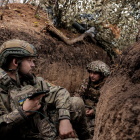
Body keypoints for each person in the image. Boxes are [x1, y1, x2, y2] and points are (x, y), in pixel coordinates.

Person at [0, 39, 91, 140]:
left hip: (41, 129)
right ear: (16, 62)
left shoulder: (30, 80)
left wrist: (64, 119)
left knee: (76, 103)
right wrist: (23, 112)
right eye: (29, 60)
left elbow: (60, 91)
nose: (33, 65)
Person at [73, 60, 110, 136]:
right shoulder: (86, 82)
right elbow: (77, 95)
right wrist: (83, 108)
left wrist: (94, 110)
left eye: (95, 73)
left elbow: (107, 105)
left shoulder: (107, 86)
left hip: (97, 115)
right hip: (84, 111)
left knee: (91, 130)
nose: (92, 75)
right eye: (90, 72)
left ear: (102, 74)